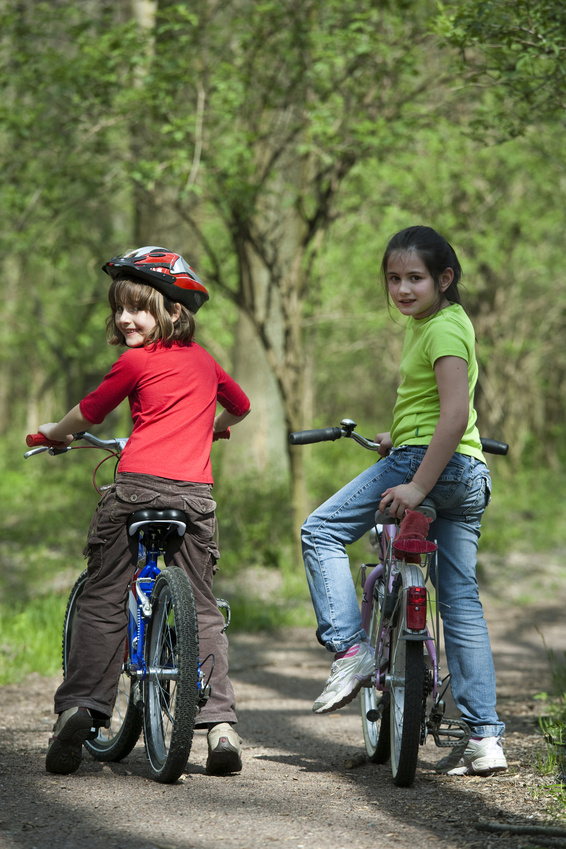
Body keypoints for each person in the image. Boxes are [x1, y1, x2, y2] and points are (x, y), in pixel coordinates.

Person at [301, 225, 507, 777]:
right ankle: (486, 737)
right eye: (394, 279)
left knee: (318, 531)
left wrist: (416, 483)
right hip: (467, 474)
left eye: (415, 278)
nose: (402, 289)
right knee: (461, 602)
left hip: (429, 467)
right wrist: (401, 432)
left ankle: (351, 649)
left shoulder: (440, 330)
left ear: (445, 278)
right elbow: (438, 409)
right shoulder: (445, 324)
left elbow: (455, 414)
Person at [38, 246, 251, 777]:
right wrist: (213, 425)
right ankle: (220, 725)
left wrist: (52, 435)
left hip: (135, 491)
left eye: (139, 308)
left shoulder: (134, 362)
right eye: (119, 308)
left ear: (172, 313)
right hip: (194, 499)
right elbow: (242, 406)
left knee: (105, 596)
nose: (125, 318)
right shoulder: (206, 363)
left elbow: (87, 413)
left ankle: (82, 708)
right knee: (201, 606)